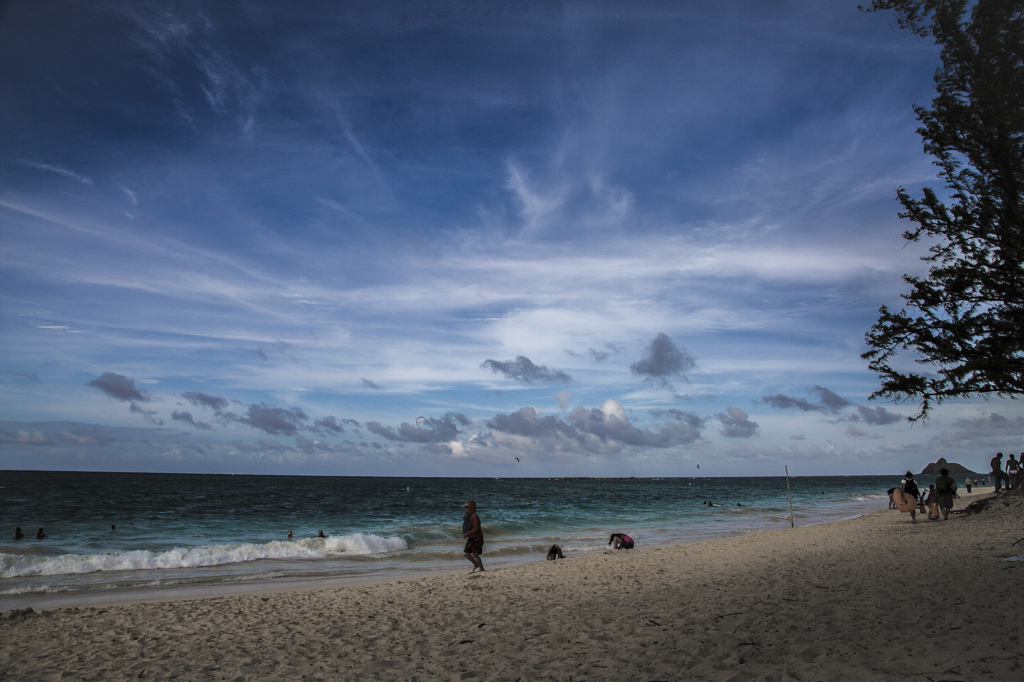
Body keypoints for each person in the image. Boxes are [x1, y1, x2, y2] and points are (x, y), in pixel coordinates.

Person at [461, 500, 484, 573]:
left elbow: (476, 528)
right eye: (464, 507)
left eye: (466, 507)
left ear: (471, 507)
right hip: (471, 538)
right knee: (465, 553)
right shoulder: (468, 516)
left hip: (477, 538)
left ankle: (481, 568)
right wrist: (467, 534)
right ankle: (475, 564)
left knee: (474, 554)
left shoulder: (474, 516)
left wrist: (466, 534)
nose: (465, 508)